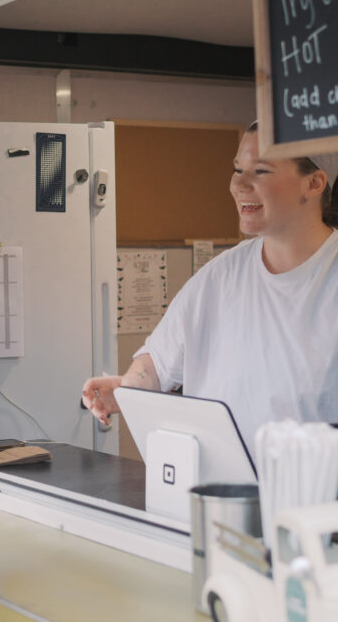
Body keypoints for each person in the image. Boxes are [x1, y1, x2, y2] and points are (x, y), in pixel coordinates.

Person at [82, 123, 338, 454]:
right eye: (237, 170)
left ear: (314, 183)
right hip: (218, 495)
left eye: (260, 170)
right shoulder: (219, 277)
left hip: (314, 501)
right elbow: (157, 363)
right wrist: (129, 389)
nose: (239, 185)